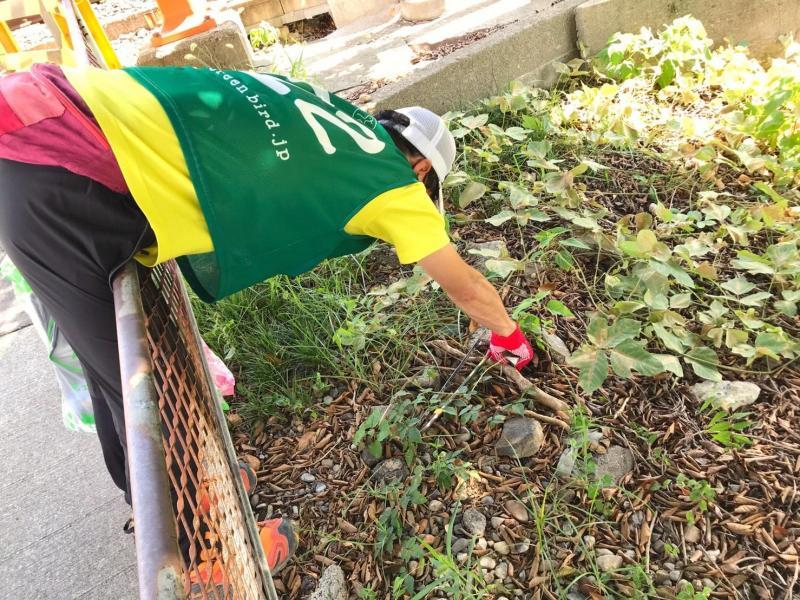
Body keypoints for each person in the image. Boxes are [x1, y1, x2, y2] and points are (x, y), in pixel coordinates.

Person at [0, 62, 535, 589]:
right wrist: (509, 337)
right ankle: (204, 557)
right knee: (144, 391)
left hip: (50, 108)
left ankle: (163, 501)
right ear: (421, 169)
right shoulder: (393, 187)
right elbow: (465, 285)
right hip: (63, 167)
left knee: (112, 365)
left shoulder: (330, 113)